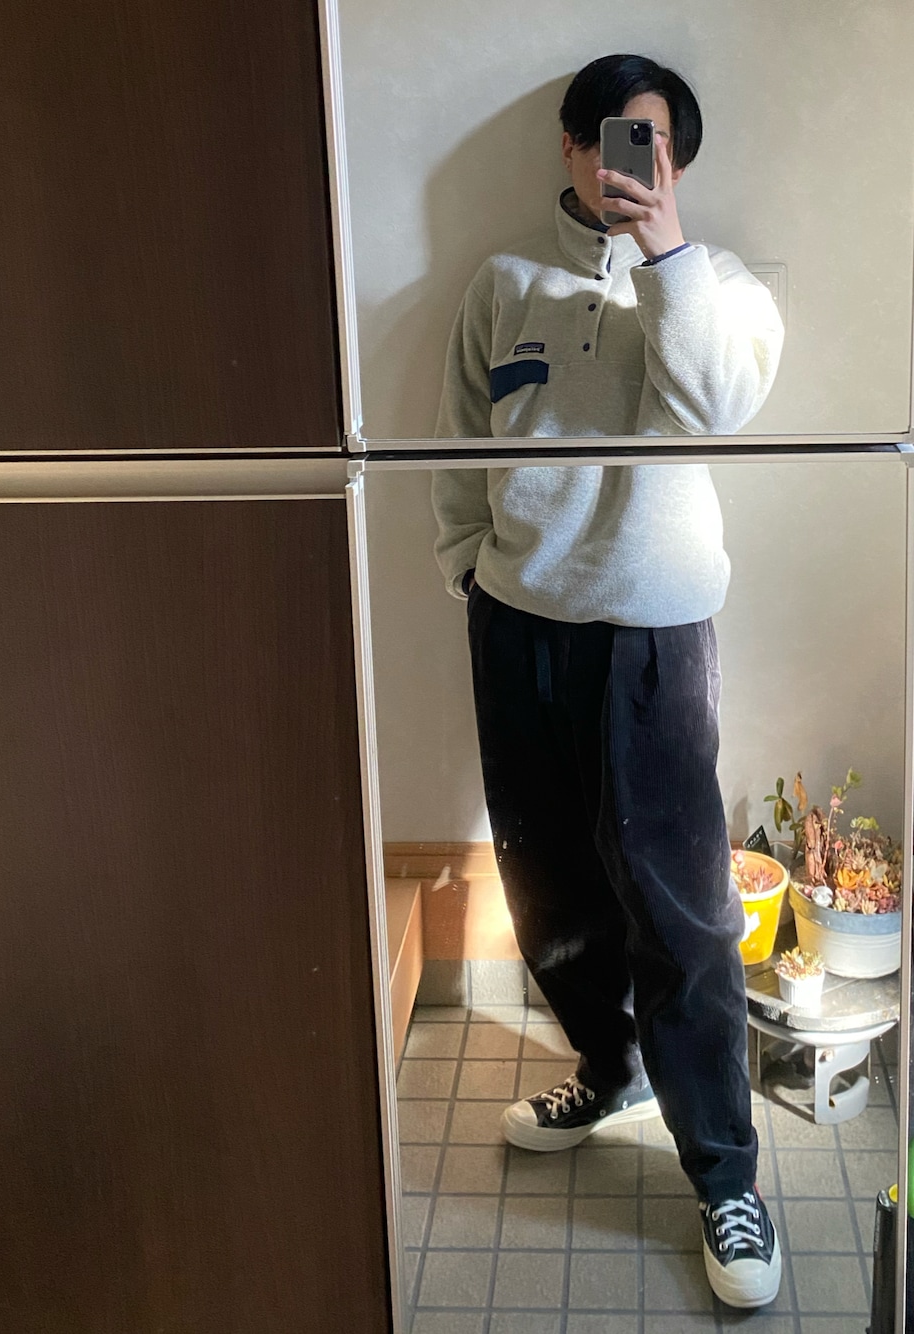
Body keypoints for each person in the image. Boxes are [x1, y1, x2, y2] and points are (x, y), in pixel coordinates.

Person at [430, 53, 785, 1310]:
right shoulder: (501, 282)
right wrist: (469, 569)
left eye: (655, 145)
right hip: (517, 621)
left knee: (680, 910)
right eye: (611, 140)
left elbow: (719, 401)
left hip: (654, 632)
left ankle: (724, 1170)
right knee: (544, 877)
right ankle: (606, 1062)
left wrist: (664, 253)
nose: (631, 164)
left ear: (677, 161)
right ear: (570, 149)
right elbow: (454, 440)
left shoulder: (720, 286)